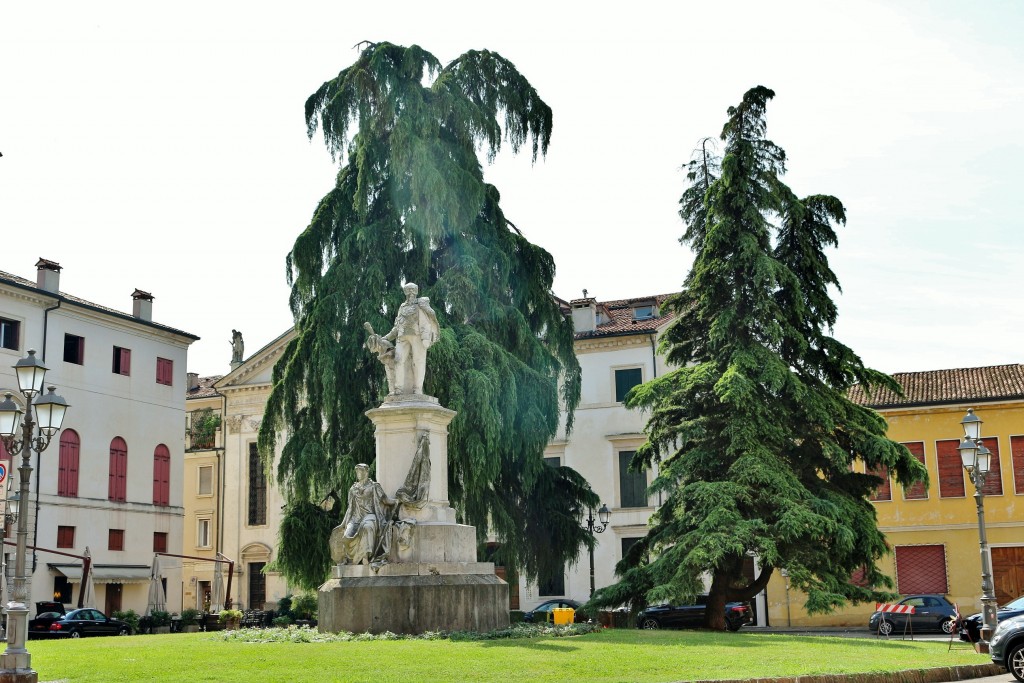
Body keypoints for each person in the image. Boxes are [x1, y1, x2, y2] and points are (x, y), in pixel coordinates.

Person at [331, 464, 394, 568]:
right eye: (357, 472)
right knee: (347, 536)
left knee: (368, 527)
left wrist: (397, 501)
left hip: (369, 516)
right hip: (356, 518)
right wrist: (342, 524)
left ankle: (365, 555)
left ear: (366, 472)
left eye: (361, 471)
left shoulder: (374, 486)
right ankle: (351, 557)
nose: (359, 474)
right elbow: (350, 508)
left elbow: (386, 500)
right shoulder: (353, 489)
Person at [381, 283, 439, 395]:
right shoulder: (402, 307)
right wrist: (386, 337)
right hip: (402, 337)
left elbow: (428, 319)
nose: (410, 293)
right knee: (398, 360)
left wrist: (425, 338)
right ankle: (398, 388)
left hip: (417, 336)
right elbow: (397, 326)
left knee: (418, 362)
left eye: (412, 291)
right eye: (408, 291)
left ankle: (417, 389)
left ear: (416, 291)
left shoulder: (420, 305)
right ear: (405, 292)